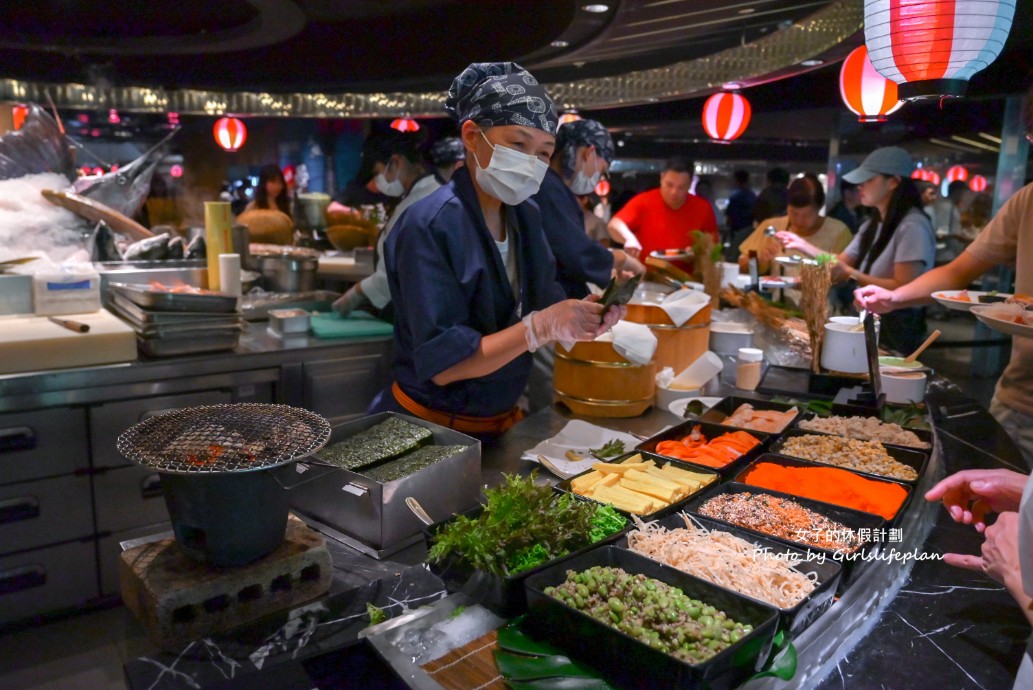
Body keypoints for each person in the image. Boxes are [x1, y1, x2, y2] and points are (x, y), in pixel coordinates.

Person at [368, 61, 623, 436]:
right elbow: (445, 364)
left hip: (497, 426)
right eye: (518, 144)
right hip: (428, 431)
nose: (531, 162)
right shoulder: (429, 224)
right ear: (472, 136)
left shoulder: (526, 216)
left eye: (542, 153)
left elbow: (545, 296)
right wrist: (540, 327)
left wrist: (584, 317)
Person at [780, 146, 935, 354]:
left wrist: (851, 273)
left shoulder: (912, 225)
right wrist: (802, 244)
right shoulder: (873, 224)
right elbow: (839, 261)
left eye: (869, 180)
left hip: (897, 329)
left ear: (894, 182)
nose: (860, 186)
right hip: (870, 318)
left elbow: (904, 287)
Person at [532, 117, 643, 298]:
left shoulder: (554, 187)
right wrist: (622, 260)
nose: (599, 178)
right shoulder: (548, 187)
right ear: (589, 153)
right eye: (602, 170)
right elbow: (574, 252)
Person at [332, 133, 436, 317]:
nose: (377, 181)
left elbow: (392, 275)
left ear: (396, 162)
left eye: (377, 173)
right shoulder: (435, 192)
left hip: (421, 312)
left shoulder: (414, 206)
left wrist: (357, 293)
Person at [737, 173, 852, 274]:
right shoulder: (773, 227)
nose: (799, 220)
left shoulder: (838, 231)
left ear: (820, 207)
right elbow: (742, 265)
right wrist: (759, 260)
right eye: (794, 213)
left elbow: (847, 272)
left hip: (824, 298)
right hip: (778, 299)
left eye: (806, 215)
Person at [606, 156, 718, 258]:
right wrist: (629, 239)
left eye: (681, 187)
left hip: (688, 277)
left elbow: (714, 247)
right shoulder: (644, 201)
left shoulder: (703, 208)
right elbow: (614, 224)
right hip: (647, 275)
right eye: (669, 185)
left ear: (689, 184)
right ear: (661, 178)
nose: (674, 192)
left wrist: (699, 251)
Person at [725, 169, 756, 241]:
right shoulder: (752, 195)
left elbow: (730, 217)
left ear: (736, 180)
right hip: (750, 231)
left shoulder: (735, 196)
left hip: (737, 230)